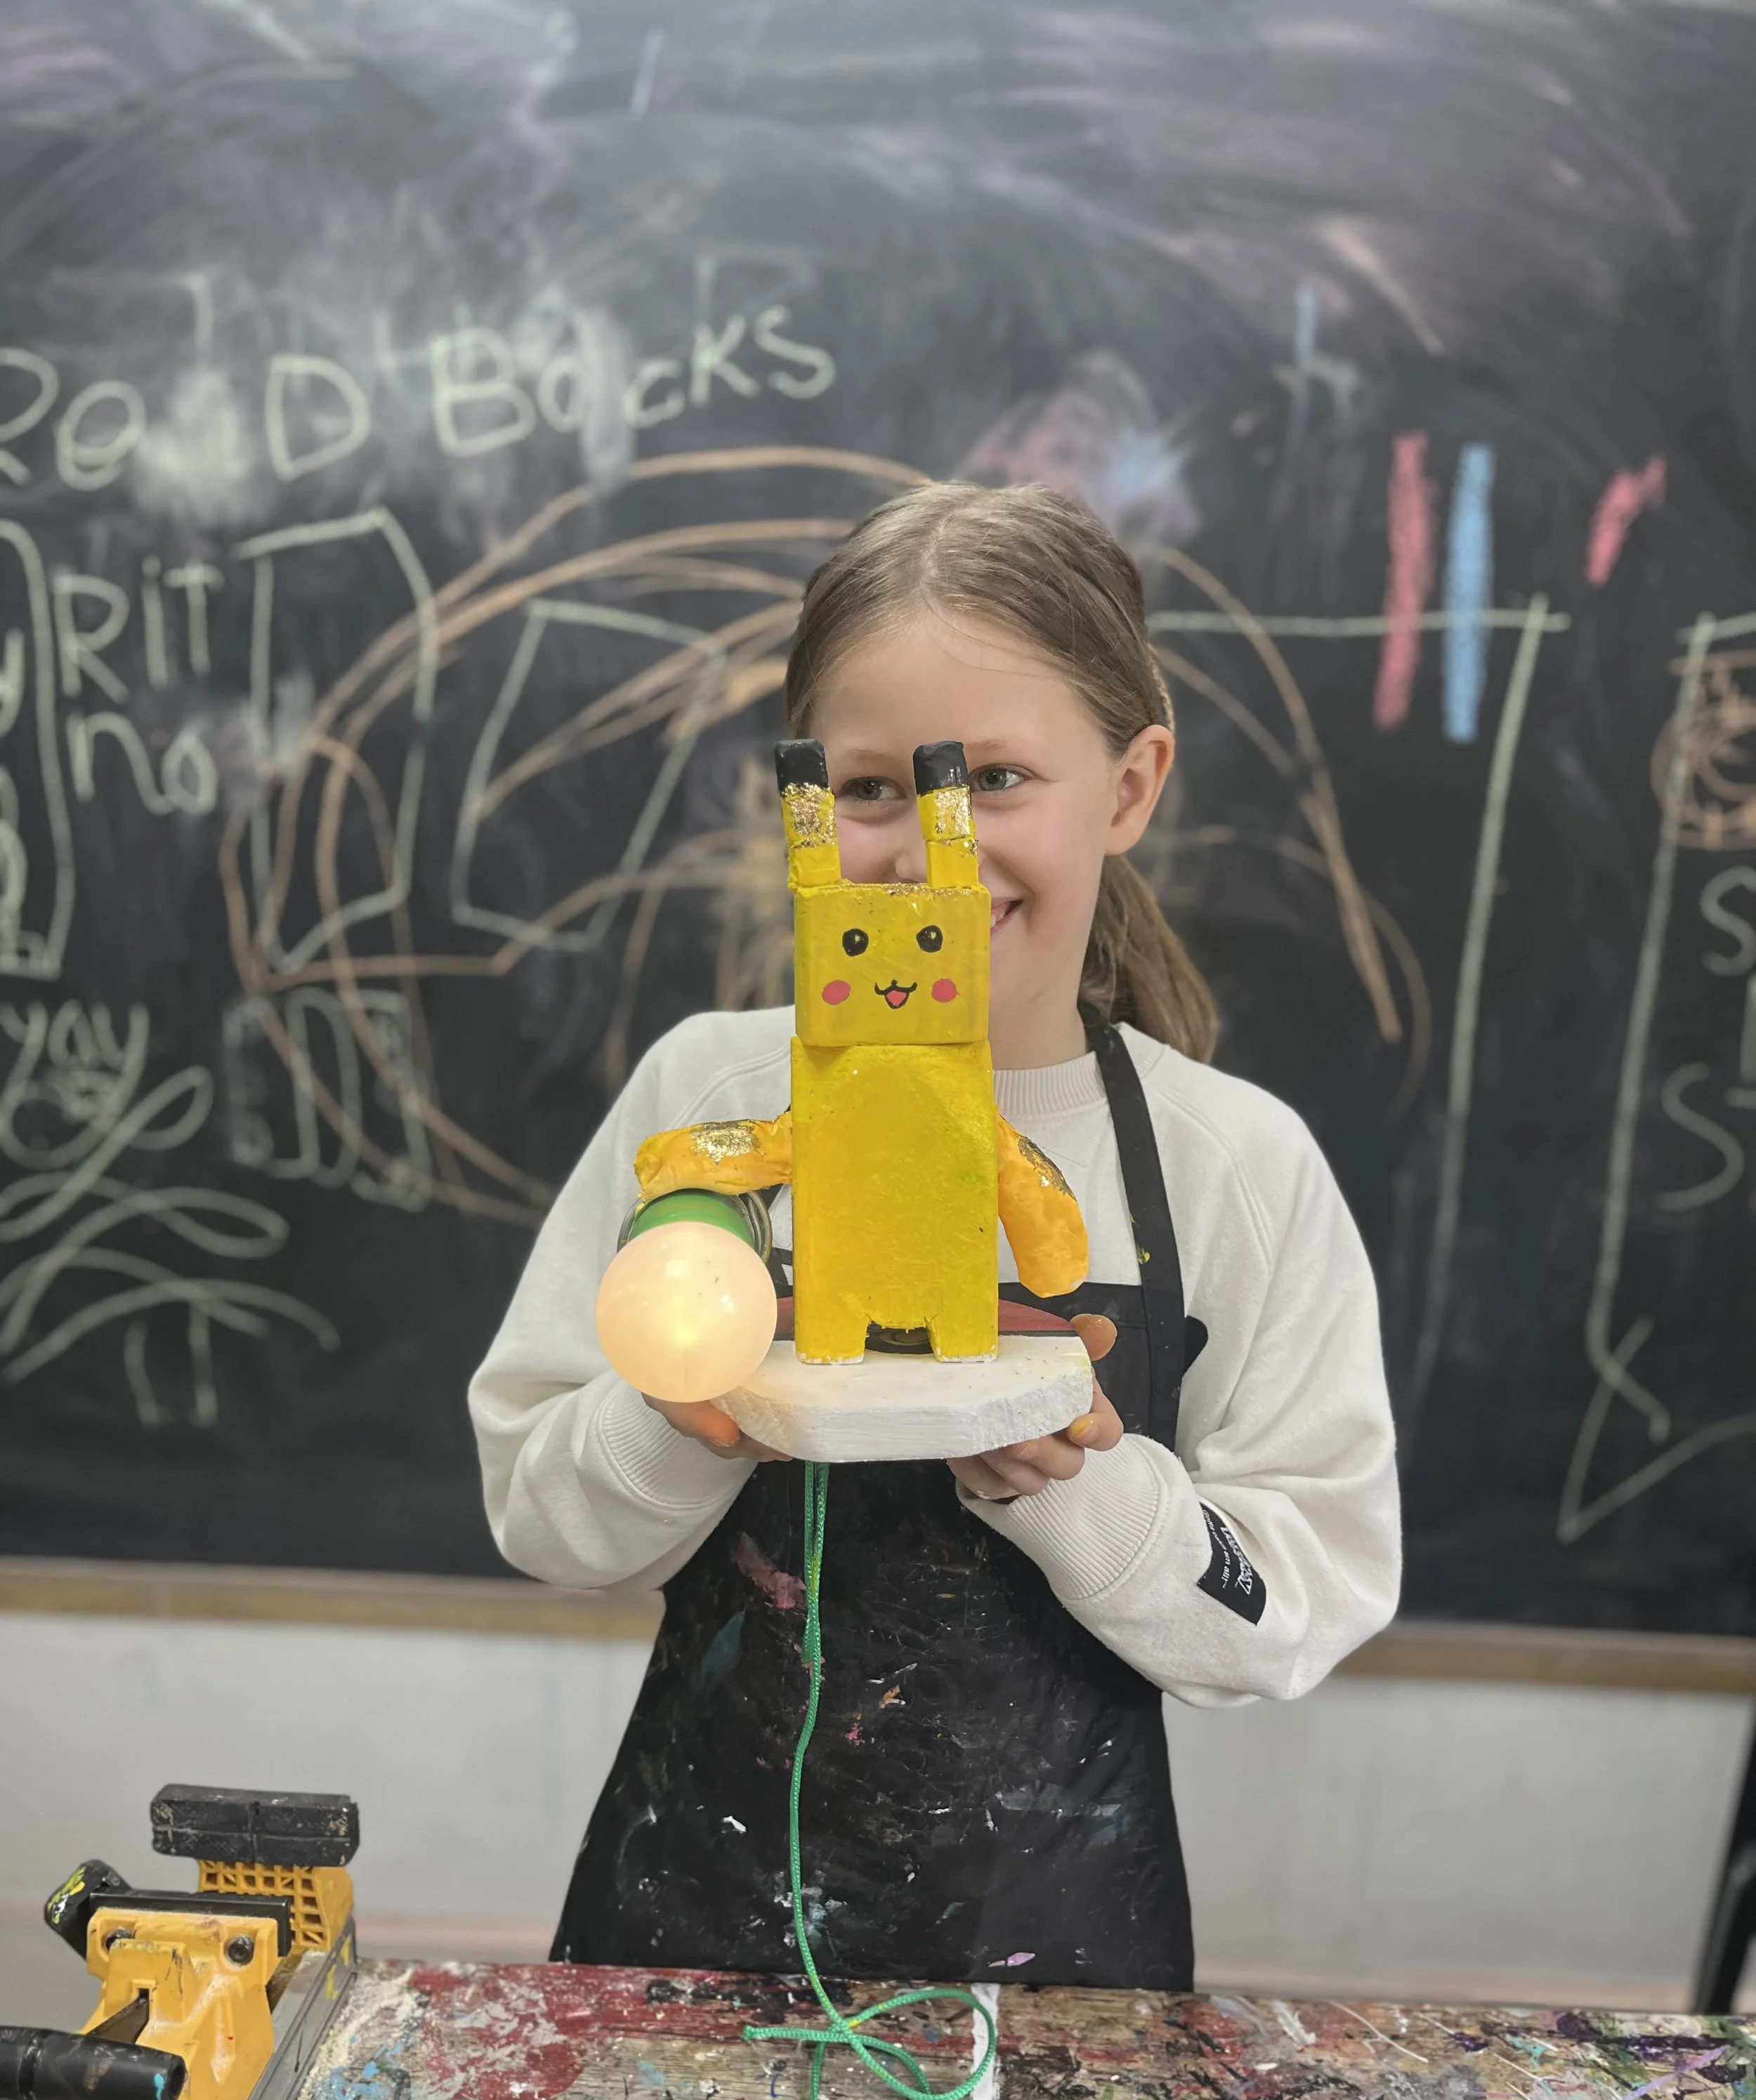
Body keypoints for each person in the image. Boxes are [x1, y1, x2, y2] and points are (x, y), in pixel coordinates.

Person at [469, 481, 1401, 1992]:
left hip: (1062, 1988)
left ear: (1128, 785)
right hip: (685, 1956)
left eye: (993, 781)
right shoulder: (708, 1097)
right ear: (801, 799)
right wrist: (680, 1417)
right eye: (870, 786)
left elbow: (1292, 1610)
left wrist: (1083, 1486)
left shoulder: (1233, 1165)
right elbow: (536, 1505)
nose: (924, 855)